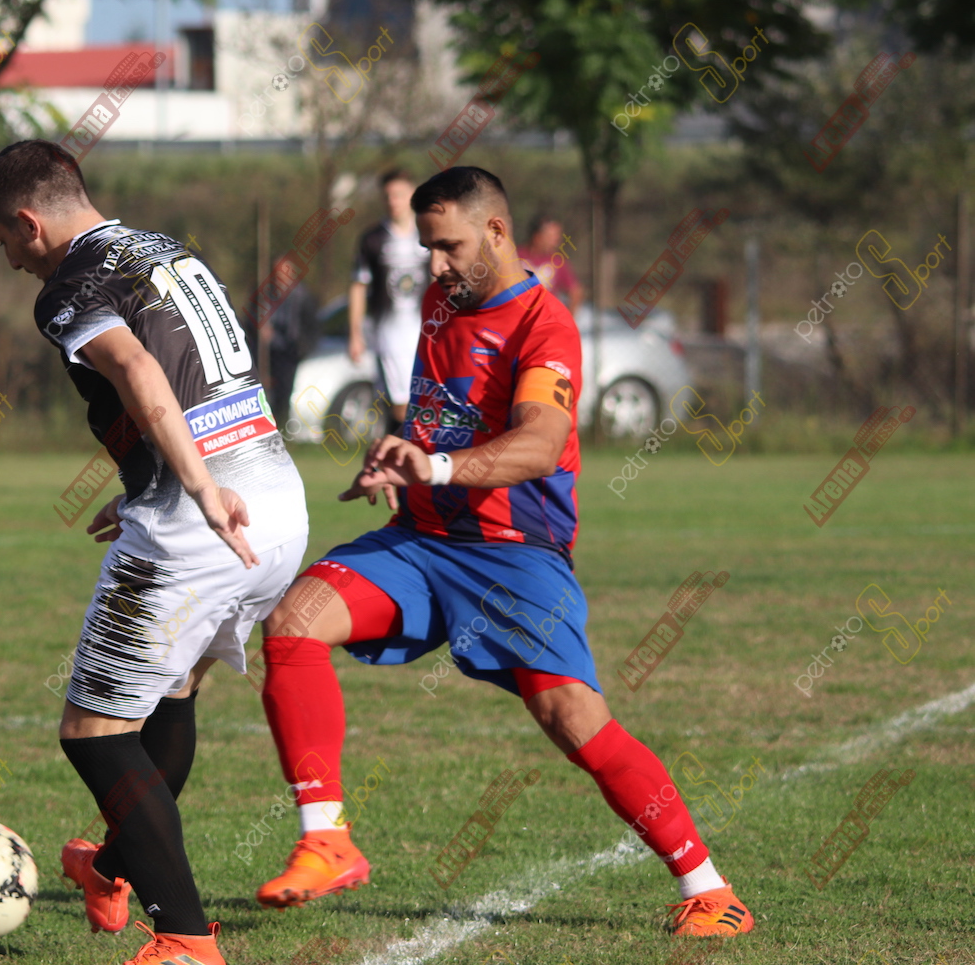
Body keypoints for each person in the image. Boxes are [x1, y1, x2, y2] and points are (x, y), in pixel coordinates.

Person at [251, 166, 755, 939]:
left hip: (515, 554)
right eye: (428, 249)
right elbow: (441, 418)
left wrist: (435, 466)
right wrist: (399, 455)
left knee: (572, 718)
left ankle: (709, 890)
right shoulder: (438, 302)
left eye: (448, 247)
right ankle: (327, 840)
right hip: (422, 541)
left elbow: (541, 444)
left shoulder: (544, 326)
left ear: (495, 231)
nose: (436, 265)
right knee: (293, 620)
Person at [0, 140, 308, 965]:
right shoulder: (164, 249)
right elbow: (203, 381)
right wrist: (155, 484)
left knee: (94, 734)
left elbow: (140, 371)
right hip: (275, 504)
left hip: (204, 519)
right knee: (170, 696)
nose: (9, 260)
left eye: (2, 241)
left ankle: (186, 939)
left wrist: (194, 488)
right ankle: (111, 868)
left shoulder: (68, 287)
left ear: (29, 221)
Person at [348, 169, 430, 433]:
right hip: (390, 334)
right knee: (400, 403)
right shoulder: (373, 239)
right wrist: (355, 334)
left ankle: (414, 446)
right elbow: (358, 287)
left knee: (426, 399)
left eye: (399, 194)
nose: (393, 201)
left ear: (413, 195)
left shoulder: (428, 232)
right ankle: (401, 446)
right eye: (388, 196)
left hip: (427, 331)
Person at [247, 253, 320, 426]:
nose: (280, 277)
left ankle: (282, 427)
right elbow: (249, 320)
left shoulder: (302, 297)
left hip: (289, 353)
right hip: (265, 351)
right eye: (277, 272)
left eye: (284, 272)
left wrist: (302, 349)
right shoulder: (263, 294)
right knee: (262, 392)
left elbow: (312, 328)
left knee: (284, 393)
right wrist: (259, 329)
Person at [517, 214, 585, 310]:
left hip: (545, 317)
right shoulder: (517, 257)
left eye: (557, 237)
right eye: (551, 237)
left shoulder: (557, 261)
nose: (556, 242)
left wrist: (567, 316)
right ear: (537, 236)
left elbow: (575, 291)